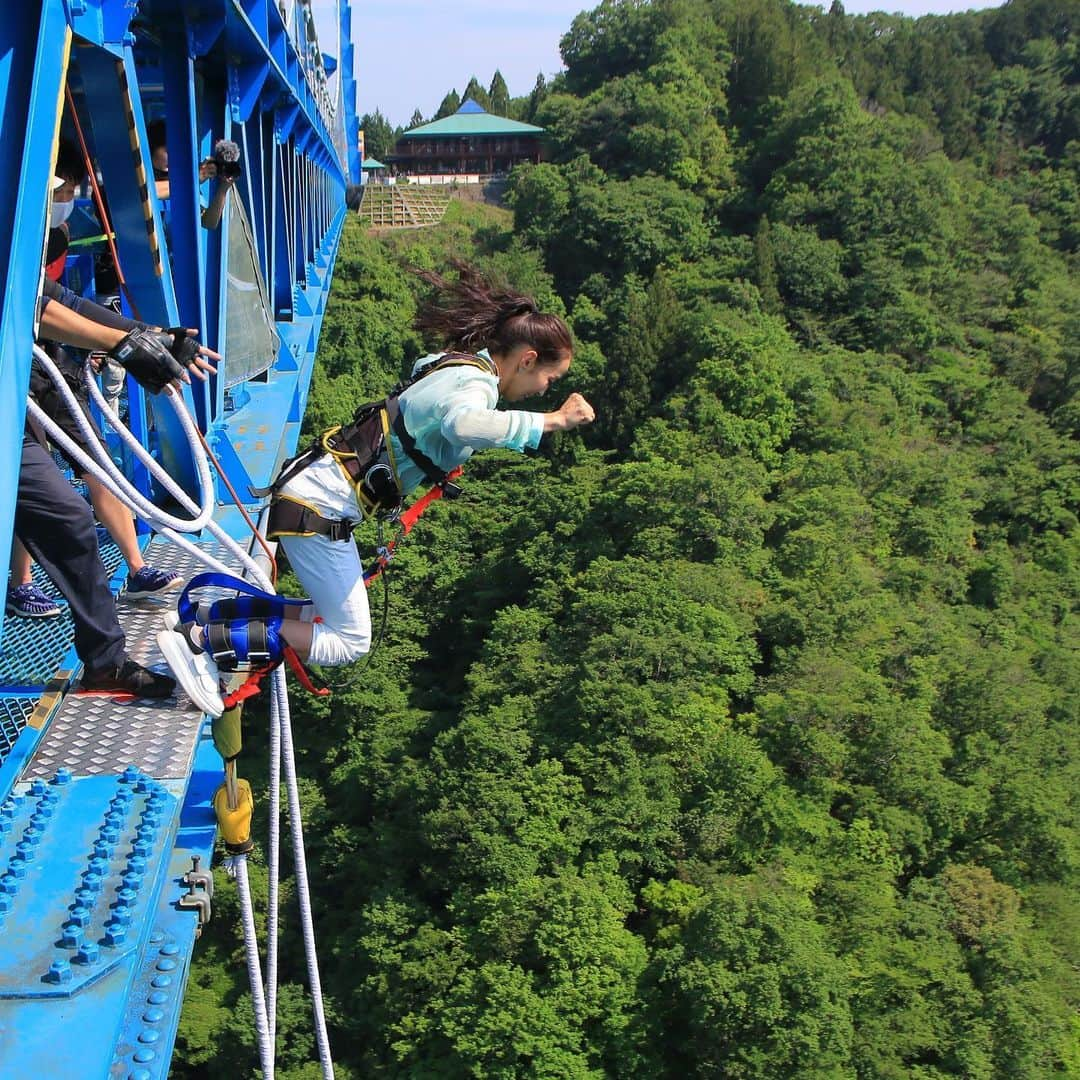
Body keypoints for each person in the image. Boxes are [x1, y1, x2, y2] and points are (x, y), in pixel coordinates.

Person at [159, 263, 595, 716]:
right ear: (527, 359)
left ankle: (208, 618)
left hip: (314, 497)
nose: (545, 389)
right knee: (350, 640)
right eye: (550, 378)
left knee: (323, 616)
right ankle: (200, 643)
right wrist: (552, 421)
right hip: (319, 508)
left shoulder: (456, 367)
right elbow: (462, 423)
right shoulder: (473, 386)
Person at [20, 282, 215, 696]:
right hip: (17, 391)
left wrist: (149, 336)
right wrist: (127, 342)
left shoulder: (21, 232)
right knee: (65, 515)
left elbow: (55, 300)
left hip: (29, 383)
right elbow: (29, 307)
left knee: (84, 493)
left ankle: (108, 654)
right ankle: (98, 654)